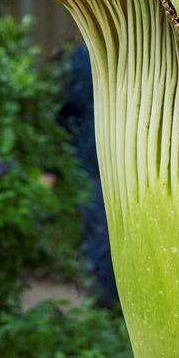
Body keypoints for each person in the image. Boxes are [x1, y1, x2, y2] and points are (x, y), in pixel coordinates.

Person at [59, 43, 119, 307]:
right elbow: (68, 111)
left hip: (131, 161)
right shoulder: (85, 55)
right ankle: (107, 307)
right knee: (101, 236)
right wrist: (53, 169)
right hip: (92, 161)